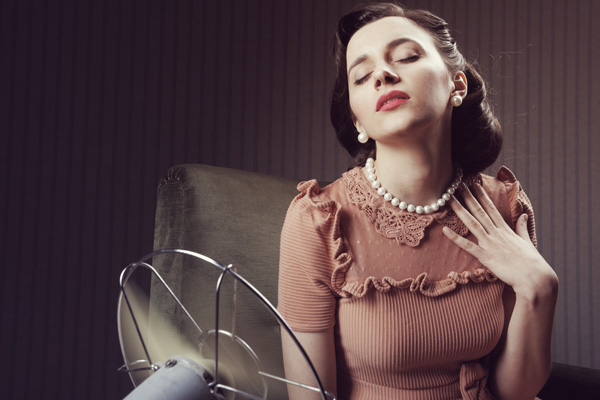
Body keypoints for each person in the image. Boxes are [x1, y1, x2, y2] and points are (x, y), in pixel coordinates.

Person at [277, 2, 558, 400]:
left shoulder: (503, 205)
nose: (383, 75)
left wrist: (539, 287)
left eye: (407, 56)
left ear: (456, 85)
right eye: (361, 76)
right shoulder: (319, 221)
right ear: (358, 121)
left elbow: (516, 390)